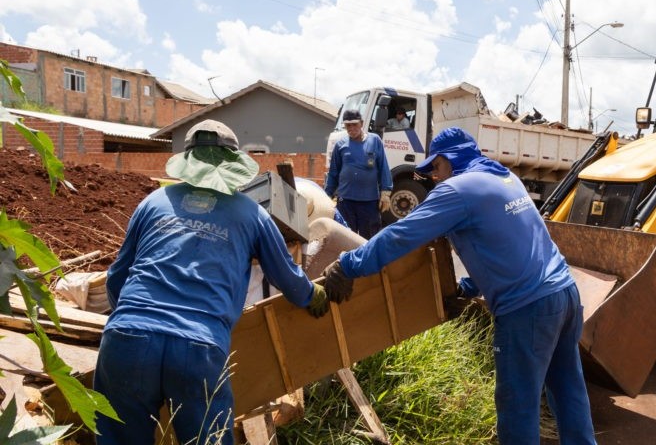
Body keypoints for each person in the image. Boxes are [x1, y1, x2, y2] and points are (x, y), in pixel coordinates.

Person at [319, 127, 597, 444]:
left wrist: (349, 265)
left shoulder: (457, 191)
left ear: (451, 160)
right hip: (565, 295)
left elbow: (402, 236)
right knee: (568, 390)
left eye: (435, 167)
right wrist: (467, 287)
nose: (434, 177)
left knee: (518, 405)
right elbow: (503, 244)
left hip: (527, 309)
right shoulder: (503, 177)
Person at [95, 120, 338, 444]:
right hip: (197, 348)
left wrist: (130, 321)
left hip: (127, 341)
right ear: (232, 166)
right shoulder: (251, 214)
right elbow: (287, 279)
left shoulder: (153, 203)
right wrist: (314, 295)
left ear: (188, 163)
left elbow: (117, 276)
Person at [325, 109, 393, 238]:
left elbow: (383, 167)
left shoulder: (375, 141)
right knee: (345, 238)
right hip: (346, 202)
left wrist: (386, 192)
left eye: (354, 124)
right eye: (348, 125)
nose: (351, 128)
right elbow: (333, 173)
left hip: (369, 202)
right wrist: (327, 195)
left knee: (368, 239)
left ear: (361, 123)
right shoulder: (340, 145)